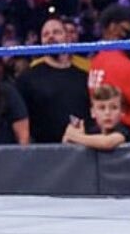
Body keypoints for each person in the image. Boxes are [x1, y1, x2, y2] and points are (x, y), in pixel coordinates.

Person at [15, 15, 90, 143]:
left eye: (56, 32)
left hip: (81, 146)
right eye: (46, 34)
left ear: (67, 38)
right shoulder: (27, 79)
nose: (51, 36)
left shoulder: (83, 77)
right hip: (43, 149)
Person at [87, 5, 130, 136]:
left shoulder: (96, 62)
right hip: (128, 137)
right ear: (113, 28)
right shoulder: (124, 66)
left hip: (105, 133)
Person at [61, 84, 130, 151]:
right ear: (93, 112)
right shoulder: (91, 131)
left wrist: (75, 136)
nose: (107, 113)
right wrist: (69, 138)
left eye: (114, 108)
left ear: (122, 112)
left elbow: (107, 143)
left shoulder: (125, 130)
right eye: (102, 108)